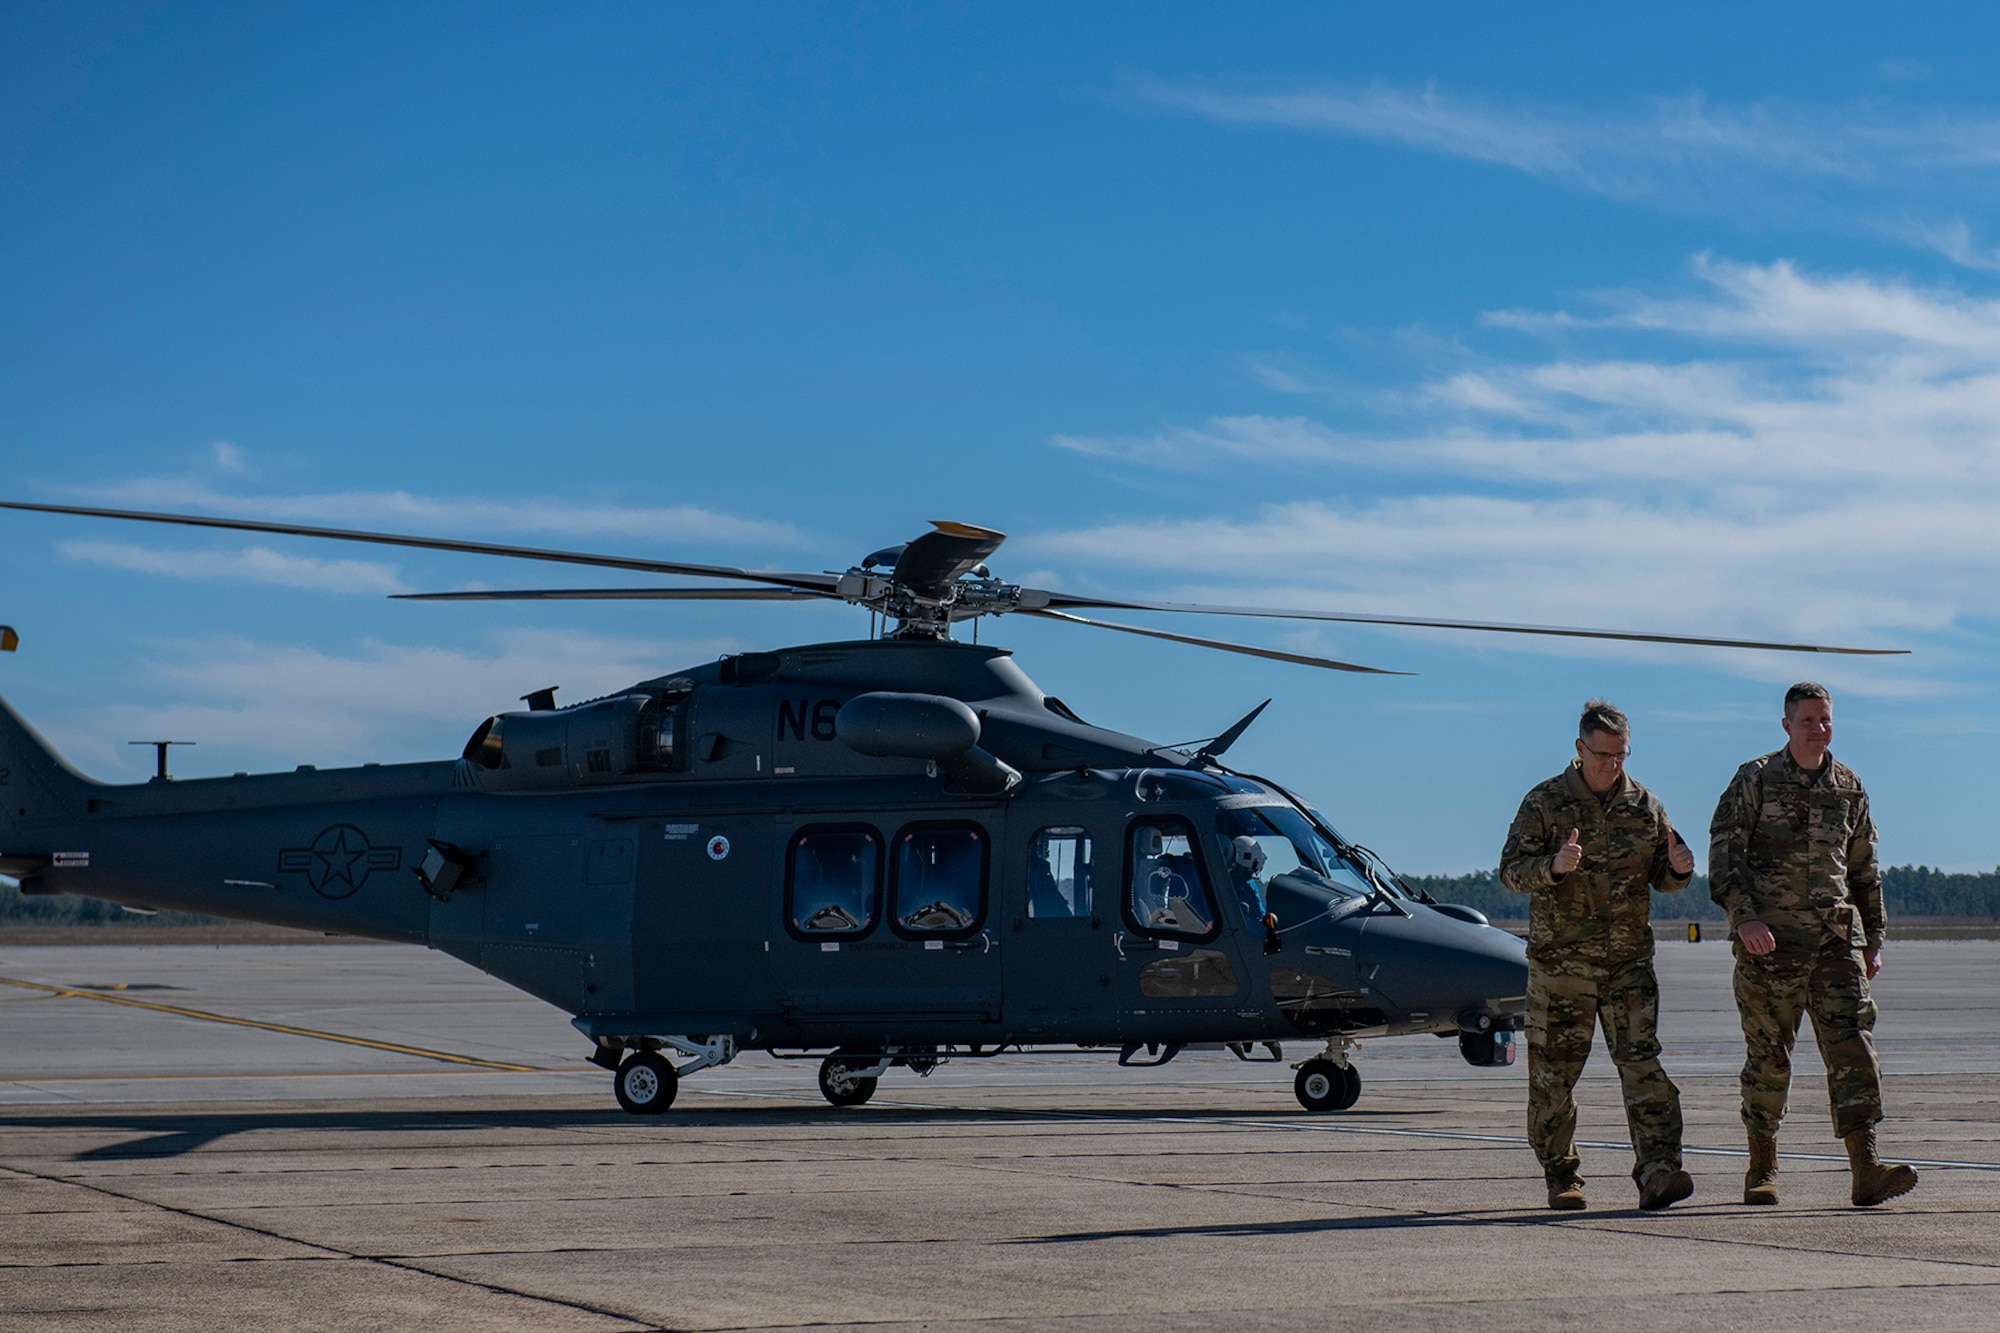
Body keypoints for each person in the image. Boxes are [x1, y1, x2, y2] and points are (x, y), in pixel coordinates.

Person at [1709, 682, 1918, 1208]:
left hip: (1835, 942)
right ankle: (1762, 1165)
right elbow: (1725, 858)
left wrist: (1873, 939)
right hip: (1770, 944)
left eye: (1825, 720)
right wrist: (1744, 921)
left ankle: (1866, 1168)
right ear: (1786, 725)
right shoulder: (1754, 779)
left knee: (1853, 1048)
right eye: (1808, 721)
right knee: (1769, 1058)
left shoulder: (1848, 785)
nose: (1819, 729)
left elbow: (1865, 869)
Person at [1501, 699, 1695, 1211]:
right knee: (1553, 1077)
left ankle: (1658, 1172)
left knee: (1643, 1068)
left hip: (1628, 965)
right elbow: (1511, 871)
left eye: (1622, 755)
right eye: (1604, 754)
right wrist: (1553, 865)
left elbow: (1663, 878)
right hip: (1563, 968)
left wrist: (1678, 869)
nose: (1613, 765)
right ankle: (1561, 1175)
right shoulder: (1545, 802)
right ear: (1580, 749)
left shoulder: (1645, 806)